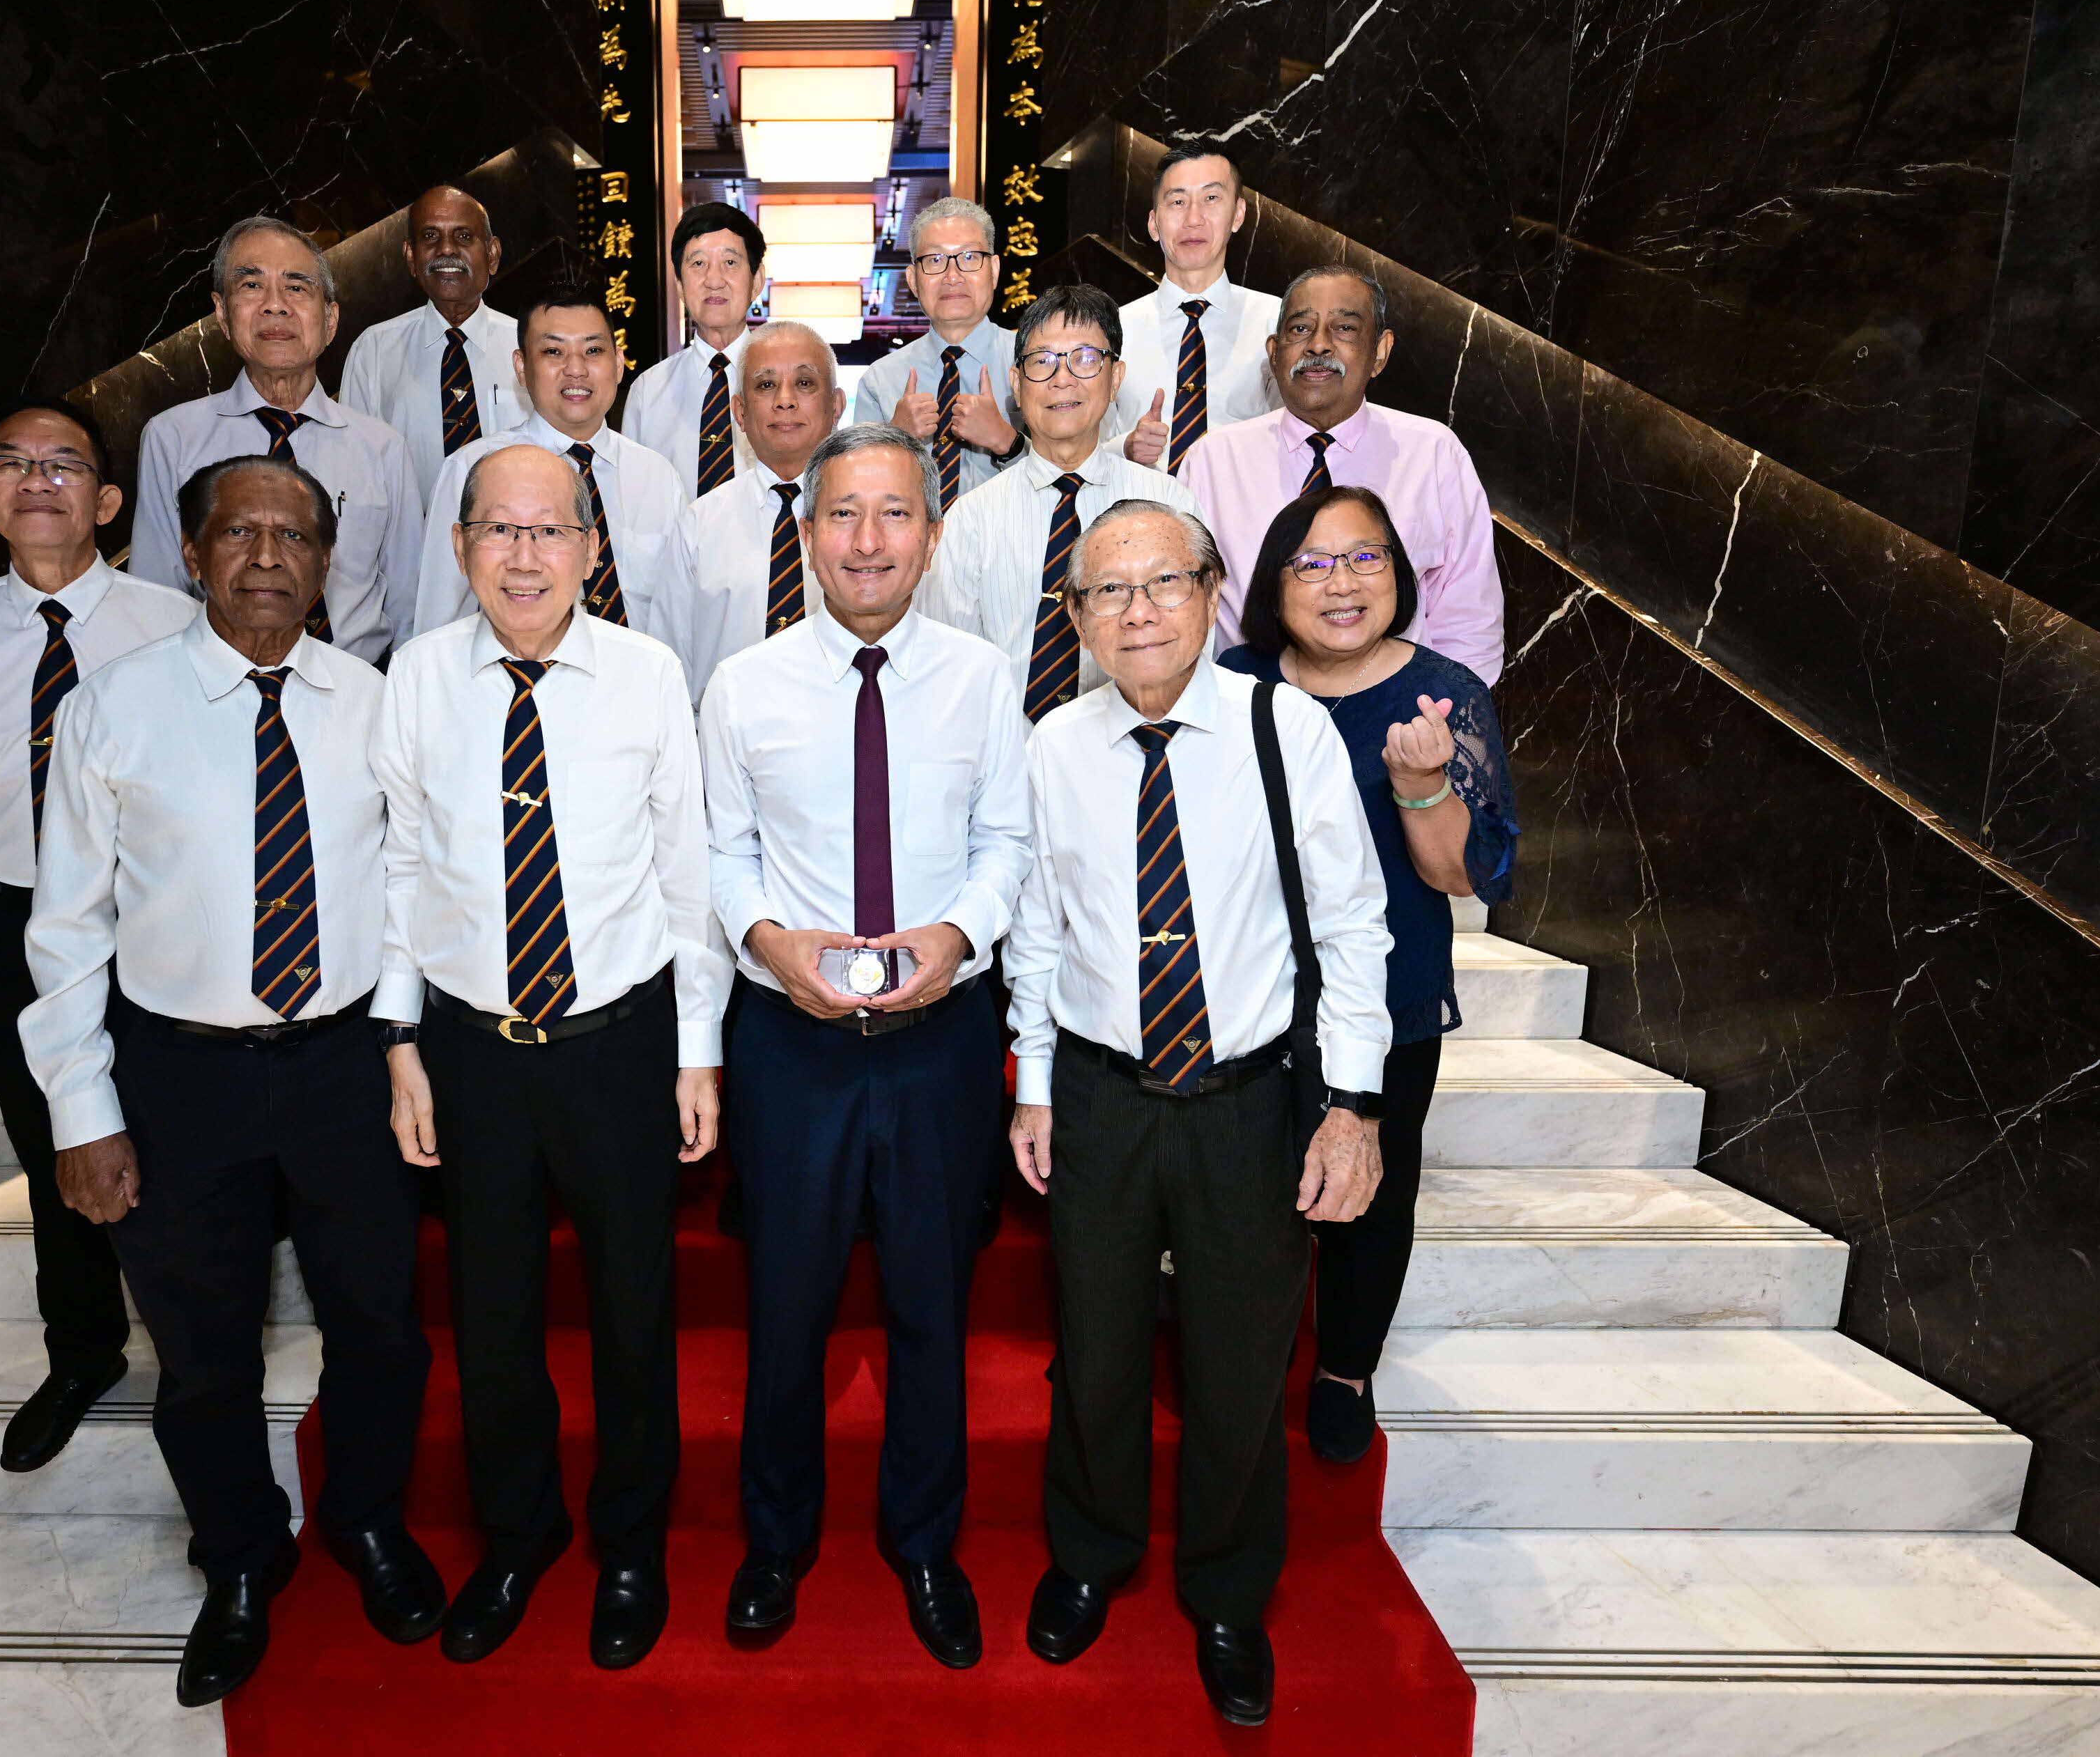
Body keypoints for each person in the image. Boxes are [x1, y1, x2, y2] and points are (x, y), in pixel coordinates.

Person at [22, 454, 442, 1708]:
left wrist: (407, 1050)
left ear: (325, 562)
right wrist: (83, 1111)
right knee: (204, 1353)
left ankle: (366, 1525)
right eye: (237, 532)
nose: (266, 555)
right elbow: (64, 930)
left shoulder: (373, 703)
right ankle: (241, 1559)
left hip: (341, 1066)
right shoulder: (114, 709)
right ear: (191, 554)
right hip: (178, 1076)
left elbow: (416, 892)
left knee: (378, 1329)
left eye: (293, 534)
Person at [1005, 500, 1392, 1728]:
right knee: (1098, 1346)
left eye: (1160, 583)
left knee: (1235, 1365)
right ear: (1073, 618)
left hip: (1245, 1101)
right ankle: (1090, 1554)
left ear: (1212, 590)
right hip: (1102, 1092)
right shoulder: (1053, 746)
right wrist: (1029, 1081)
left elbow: (1349, 928)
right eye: (1104, 594)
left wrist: (1352, 1109)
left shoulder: (1286, 729)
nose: (1135, 611)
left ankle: (1226, 1594)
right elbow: (1034, 930)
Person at [375, 443, 727, 1671]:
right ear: (462, 546)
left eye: (549, 532)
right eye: (498, 531)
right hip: (473, 1051)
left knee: (636, 1302)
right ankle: (516, 1534)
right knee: (491, 1309)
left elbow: (686, 875)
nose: (524, 556)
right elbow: (401, 872)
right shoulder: (414, 680)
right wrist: (401, 1038)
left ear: (590, 546)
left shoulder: (644, 676)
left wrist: (695, 1049)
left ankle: (630, 1541)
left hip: (615, 1047)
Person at [702, 421, 1033, 1667]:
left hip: (940, 1039)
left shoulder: (982, 677)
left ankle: (924, 1544)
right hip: (790, 1041)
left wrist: (956, 934)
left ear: (931, 537)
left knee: (929, 1305)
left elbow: (1007, 841)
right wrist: (768, 943)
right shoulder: (743, 686)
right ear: (806, 533)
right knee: (783, 1301)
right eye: (842, 514)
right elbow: (722, 854)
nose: (866, 539)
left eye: (893, 514)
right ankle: (774, 1541)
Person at [0, 398, 196, 1477]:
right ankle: (83, 1351)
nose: (39, 481)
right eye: (13, 465)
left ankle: (198, 1345)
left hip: (151, 916)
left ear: (106, 500)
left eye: (64, 463)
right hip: (15, 917)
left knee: (167, 1134)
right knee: (48, 1142)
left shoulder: (173, 624)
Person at [1217, 486, 1517, 1462]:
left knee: (1371, 1195)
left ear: (1398, 574)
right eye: (1312, 563)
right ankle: (1224, 1346)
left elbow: (1459, 876)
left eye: (1365, 559)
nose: (1340, 583)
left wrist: (1422, 783)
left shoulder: (1442, 696)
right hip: (1244, 992)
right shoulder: (1232, 680)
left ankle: (1346, 1370)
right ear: (1273, 584)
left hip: (1384, 997)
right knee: (1235, 1184)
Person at [1178, 265, 1504, 683]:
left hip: (1398, 722)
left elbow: (1469, 616)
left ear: (1380, 352)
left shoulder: (1433, 454)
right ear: (1274, 352)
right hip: (1247, 717)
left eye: (1345, 328)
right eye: (1300, 329)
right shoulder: (1212, 461)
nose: (1318, 345)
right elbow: (1185, 609)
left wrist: (1441, 720)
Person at [127, 215, 426, 662]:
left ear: (330, 319)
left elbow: (411, 607)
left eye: (297, 287)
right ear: (223, 314)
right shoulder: (172, 439)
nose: (275, 306)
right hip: (215, 693)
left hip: (355, 695)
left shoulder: (382, 447)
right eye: (251, 286)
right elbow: (155, 599)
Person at [920, 284, 1200, 720]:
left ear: (1117, 378)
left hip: (1136, 752)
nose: (1062, 378)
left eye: (1087, 359)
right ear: (1017, 381)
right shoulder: (972, 518)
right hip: (1006, 763)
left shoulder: (1168, 505)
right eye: (1042, 361)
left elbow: (1197, 646)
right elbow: (947, 667)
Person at [412, 281, 697, 661]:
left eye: (593, 350)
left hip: (634, 694)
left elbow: (678, 617)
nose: (575, 370)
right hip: (517, 698)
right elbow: (440, 619)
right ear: (521, 366)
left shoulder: (657, 476)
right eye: (553, 351)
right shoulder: (471, 469)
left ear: (618, 363)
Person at [684, 320, 844, 700]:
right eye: (766, 385)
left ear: (835, 405)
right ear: (739, 411)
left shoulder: (868, 521)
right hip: (726, 744)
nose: (784, 400)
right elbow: (671, 658)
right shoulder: (699, 523)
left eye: (804, 384)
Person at [1103, 143, 1281, 477]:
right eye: (1178, 202)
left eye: (1211, 199)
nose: (1193, 219)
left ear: (1239, 214)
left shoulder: (1278, 321)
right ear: (1154, 224)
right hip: (1138, 516)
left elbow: (1300, 433)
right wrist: (1124, 448)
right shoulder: (1114, 328)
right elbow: (1081, 447)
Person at [338, 183, 525, 484]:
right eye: (430, 237)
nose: (447, 249)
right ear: (411, 256)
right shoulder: (373, 351)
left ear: (492, 254)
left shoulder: (529, 345)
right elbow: (354, 468)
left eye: (464, 237)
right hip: (411, 532)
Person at [850, 197, 1024, 504]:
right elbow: (857, 492)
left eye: (970, 257)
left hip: (1013, 546)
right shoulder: (880, 380)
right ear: (913, 280)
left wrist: (1006, 441)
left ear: (994, 270)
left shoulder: (1033, 363)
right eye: (934, 260)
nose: (952, 276)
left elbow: (1072, 471)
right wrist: (894, 441)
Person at [621, 203, 768, 497]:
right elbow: (631, 497)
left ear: (757, 281)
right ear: (679, 284)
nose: (714, 281)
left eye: (730, 263)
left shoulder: (790, 384)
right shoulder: (648, 392)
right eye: (698, 264)